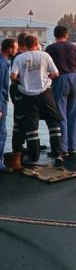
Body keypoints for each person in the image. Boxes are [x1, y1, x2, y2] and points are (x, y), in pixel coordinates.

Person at [10, 35, 63, 166]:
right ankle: (58, 154)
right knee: (53, 123)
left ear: (25, 44)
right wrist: (47, 76)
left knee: (32, 126)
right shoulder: (45, 56)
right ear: (37, 43)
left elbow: (13, 76)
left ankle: (34, 157)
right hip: (45, 92)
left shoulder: (19, 58)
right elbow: (56, 73)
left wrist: (21, 81)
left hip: (27, 95)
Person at [45, 26, 76, 155]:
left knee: (61, 114)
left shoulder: (50, 48)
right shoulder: (74, 47)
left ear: (55, 35)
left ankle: (63, 148)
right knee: (73, 114)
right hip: (74, 78)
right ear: (66, 35)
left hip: (59, 79)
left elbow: (46, 68)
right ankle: (73, 146)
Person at [0, 38, 17, 172]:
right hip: (1, 103)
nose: (16, 50)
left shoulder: (4, 63)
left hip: (2, 101)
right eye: (15, 48)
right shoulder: (2, 64)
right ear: (10, 49)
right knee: (2, 133)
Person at [10, 32, 27, 156]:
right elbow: (15, 76)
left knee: (19, 117)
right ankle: (18, 147)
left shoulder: (17, 56)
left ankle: (19, 145)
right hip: (19, 89)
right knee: (20, 118)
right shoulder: (21, 57)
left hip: (16, 89)